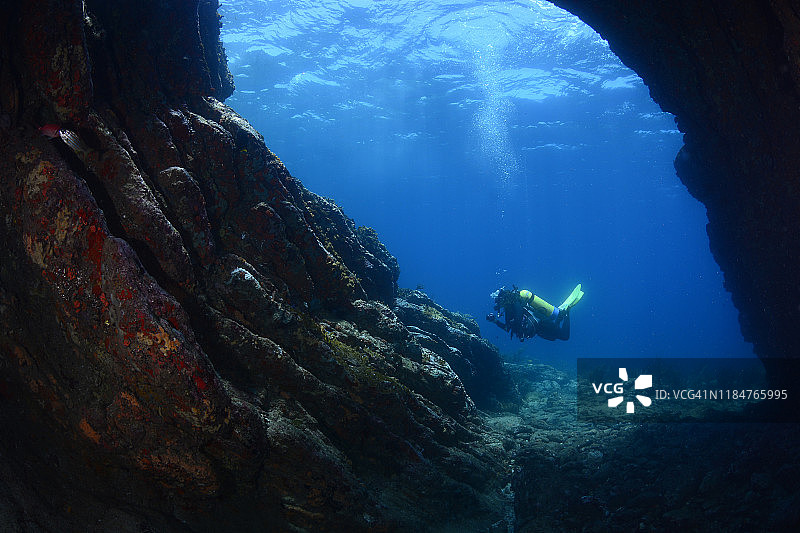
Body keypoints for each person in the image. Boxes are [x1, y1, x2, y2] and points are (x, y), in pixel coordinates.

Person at [486, 284, 583, 341]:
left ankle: (566, 313)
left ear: (504, 299)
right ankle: (560, 315)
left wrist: (519, 329)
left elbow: (518, 319)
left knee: (564, 336)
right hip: (537, 329)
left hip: (541, 323)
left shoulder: (516, 303)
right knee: (553, 338)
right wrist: (495, 321)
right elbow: (508, 328)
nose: (499, 306)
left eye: (499, 303)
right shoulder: (509, 310)